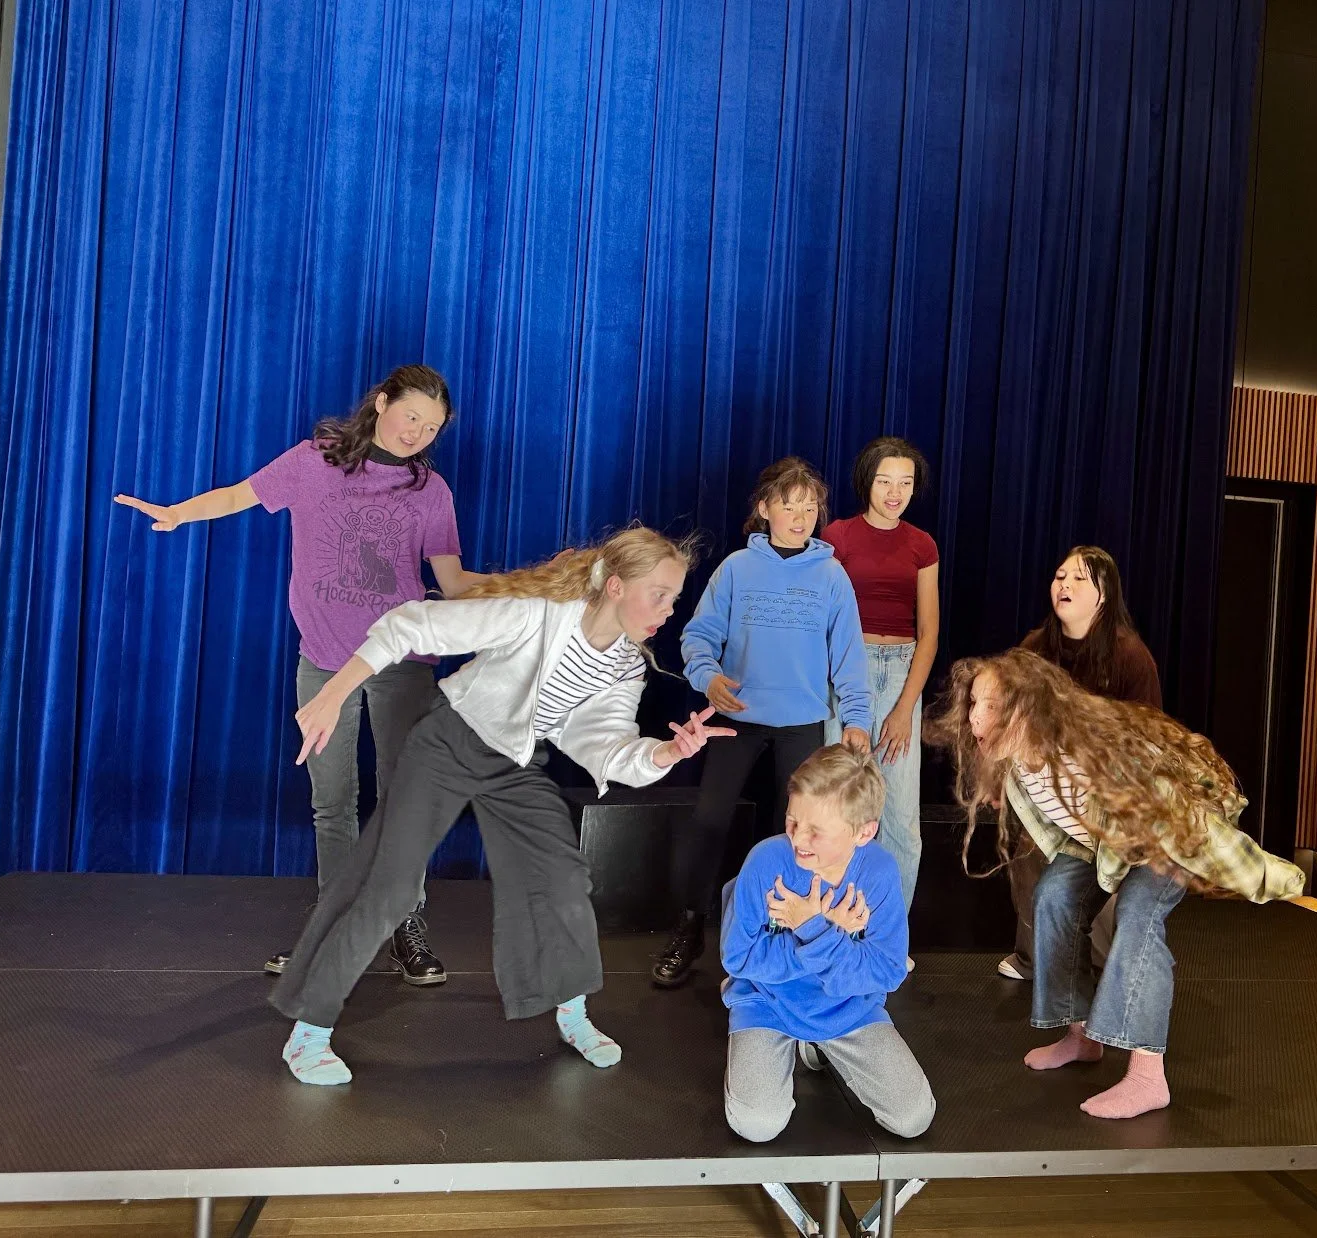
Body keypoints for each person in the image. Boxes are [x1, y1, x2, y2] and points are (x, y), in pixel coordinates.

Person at [268, 527, 734, 1084]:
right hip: (449, 741)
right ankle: (308, 1033)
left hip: (514, 760)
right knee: (389, 888)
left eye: (673, 599)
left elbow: (605, 747)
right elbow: (412, 624)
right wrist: (334, 691)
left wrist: (666, 753)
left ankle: (573, 1015)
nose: (668, 610)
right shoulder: (537, 613)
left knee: (562, 878)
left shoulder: (625, 666)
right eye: (659, 594)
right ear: (615, 586)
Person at [115, 365, 484, 983]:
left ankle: (404, 923)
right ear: (382, 402)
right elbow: (237, 495)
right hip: (324, 658)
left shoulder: (430, 490)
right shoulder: (316, 461)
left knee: (403, 800)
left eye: (432, 428)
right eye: (411, 416)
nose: (417, 434)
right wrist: (178, 514)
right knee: (331, 801)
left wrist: (538, 586)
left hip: (400, 662)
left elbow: (453, 583)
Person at [928, 649, 1303, 1119]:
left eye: (990, 705)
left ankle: (1147, 1077)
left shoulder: (1088, 756)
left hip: (1163, 834)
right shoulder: (1018, 759)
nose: (974, 717)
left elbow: (1191, 821)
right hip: (1104, 844)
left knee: (1138, 917)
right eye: (973, 703)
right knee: (1054, 897)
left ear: (1028, 710)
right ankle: (1081, 1036)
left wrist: (1266, 874)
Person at [651, 458, 872, 988]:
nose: (800, 517)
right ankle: (689, 927)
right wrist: (708, 677)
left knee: (793, 831)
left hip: (801, 723)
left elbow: (849, 654)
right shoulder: (736, 569)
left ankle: (779, 936)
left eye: (810, 508)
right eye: (789, 506)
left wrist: (857, 718)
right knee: (709, 821)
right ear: (764, 508)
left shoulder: (831, 575)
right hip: (738, 719)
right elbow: (698, 636)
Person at [720, 744, 935, 1142]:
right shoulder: (765, 861)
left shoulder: (879, 872)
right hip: (767, 1002)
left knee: (913, 1118)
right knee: (757, 1125)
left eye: (816, 831)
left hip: (848, 1008)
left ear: (863, 832)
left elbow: (888, 971)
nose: (799, 837)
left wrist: (814, 928)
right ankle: (786, 1039)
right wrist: (826, 930)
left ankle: (815, 1046)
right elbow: (737, 957)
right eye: (792, 820)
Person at [1000, 546, 1161, 983]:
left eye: (1078, 579)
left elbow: (1148, 737)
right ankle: (1034, 959)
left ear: (1103, 595)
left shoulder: (1131, 656)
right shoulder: (1036, 646)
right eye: (1060, 577)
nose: (1064, 586)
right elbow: (1008, 711)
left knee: (1101, 869)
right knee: (1030, 853)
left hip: (1106, 788)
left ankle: (1102, 967)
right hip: (1046, 782)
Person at [823, 438, 939, 933]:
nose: (896, 492)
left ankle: (887, 935)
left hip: (902, 673)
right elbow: (826, 616)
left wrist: (904, 707)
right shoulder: (838, 535)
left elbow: (929, 632)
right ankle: (832, 926)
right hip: (847, 669)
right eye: (885, 481)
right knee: (837, 803)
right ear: (866, 481)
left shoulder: (922, 544)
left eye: (906, 483)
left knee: (900, 819)